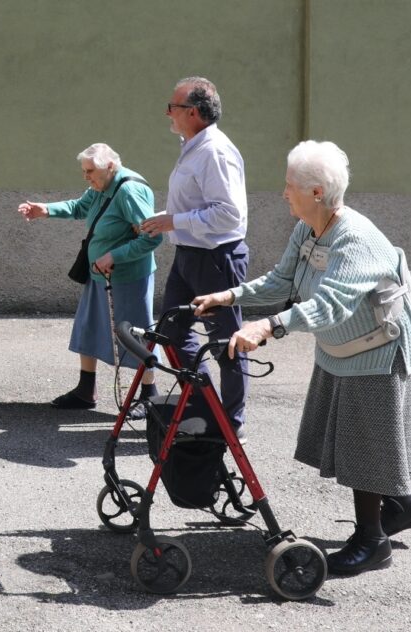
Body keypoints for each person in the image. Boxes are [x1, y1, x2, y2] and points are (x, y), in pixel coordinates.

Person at [192, 140, 411, 576]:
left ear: (316, 191)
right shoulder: (308, 227)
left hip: (377, 352)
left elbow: (332, 304)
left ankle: (372, 542)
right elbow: (282, 279)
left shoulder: (354, 239)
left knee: (365, 445)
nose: (284, 193)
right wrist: (229, 296)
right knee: (358, 439)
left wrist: (267, 327)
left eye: (290, 186)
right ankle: (404, 505)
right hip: (345, 346)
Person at [140, 76, 250, 440]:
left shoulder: (214, 151)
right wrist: (167, 220)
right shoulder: (192, 145)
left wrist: (174, 220)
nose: (166, 112)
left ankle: (230, 425)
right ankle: (207, 408)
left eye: (173, 106)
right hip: (190, 255)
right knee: (171, 332)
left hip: (217, 258)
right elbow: (197, 204)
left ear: (195, 113)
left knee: (226, 344)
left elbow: (228, 214)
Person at [18, 143, 162, 410]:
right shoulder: (100, 186)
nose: (86, 177)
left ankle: (149, 395)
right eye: (84, 171)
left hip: (129, 277)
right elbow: (79, 207)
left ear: (110, 167)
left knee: (137, 334)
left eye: (90, 171)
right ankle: (86, 391)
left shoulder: (129, 190)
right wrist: (45, 209)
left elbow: (152, 238)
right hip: (98, 275)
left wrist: (114, 256)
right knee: (89, 327)